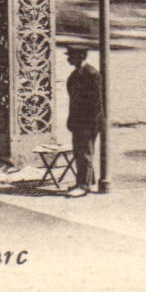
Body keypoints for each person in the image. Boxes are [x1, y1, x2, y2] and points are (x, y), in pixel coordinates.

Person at [64, 45, 103, 193]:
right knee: (78, 151)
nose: (68, 59)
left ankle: (83, 185)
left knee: (85, 152)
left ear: (80, 57)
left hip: (88, 121)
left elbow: (97, 103)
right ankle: (85, 181)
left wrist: (92, 123)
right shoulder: (75, 75)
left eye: (71, 56)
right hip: (78, 121)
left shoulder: (91, 74)